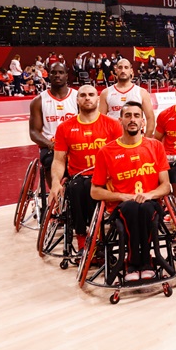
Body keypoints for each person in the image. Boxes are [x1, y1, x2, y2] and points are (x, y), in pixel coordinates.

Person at [91, 102, 171, 282]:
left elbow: (166, 186)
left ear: (143, 121)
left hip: (150, 203)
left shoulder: (156, 146)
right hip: (121, 207)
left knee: (143, 208)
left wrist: (149, 194)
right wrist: (122, 196)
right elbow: (95, 191)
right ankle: (143, 262)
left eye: (136, 116)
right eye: (128, 116)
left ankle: (134, 263)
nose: (132, 120)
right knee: (133, 208)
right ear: (120, 120)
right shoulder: (106, 151)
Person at [49, 85, 123, 253]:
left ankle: (101, 236)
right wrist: (55, 182)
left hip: (107, 177)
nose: (87, 98)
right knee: (77, 188)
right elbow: (59, 160)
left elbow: (122, 155)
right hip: (80, 178)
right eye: (83, 95)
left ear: (98, 99)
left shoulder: (112, 125)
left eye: (91, 95)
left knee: (93, 187)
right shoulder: (65, 128)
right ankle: (83, 238)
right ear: (77, 100)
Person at [29, 63, 78, 183]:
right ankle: (55, 195)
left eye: (61, 72)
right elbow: (33, 132)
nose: (57, 75)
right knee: (51, 161)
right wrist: (50, 144)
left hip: (76, 144)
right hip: (51, 146)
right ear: (48, 75)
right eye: (54, 72)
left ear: (66, 75)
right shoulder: (38, 101)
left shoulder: (78, 97)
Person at [99, 59, 155, 136]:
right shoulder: (106, 93)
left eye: (126, 67)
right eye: (120, 67)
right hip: (113, 138)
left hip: (136, 139)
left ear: (131, 71)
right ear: (116, 70)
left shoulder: (142, 92)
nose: (123, 70)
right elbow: (100, 120)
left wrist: (146, 139)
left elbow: (150, 118)